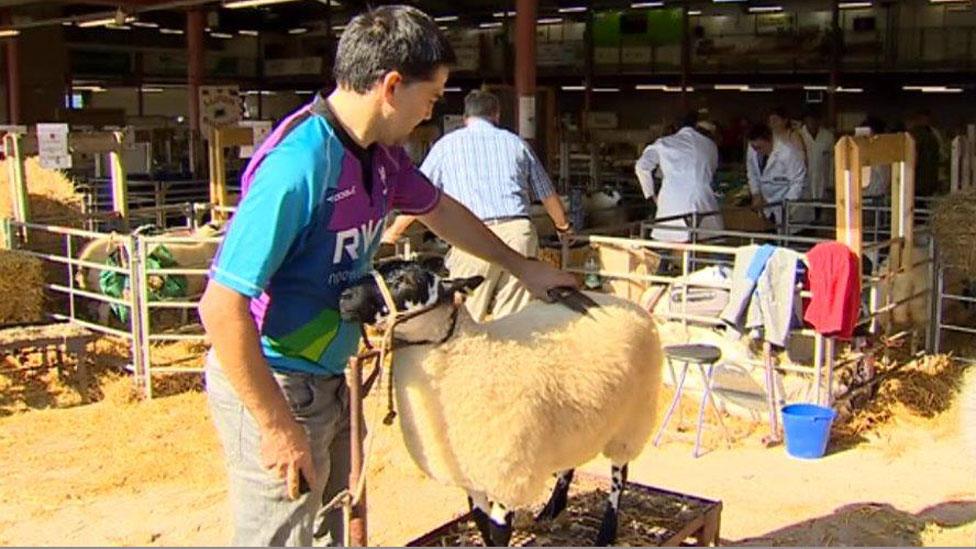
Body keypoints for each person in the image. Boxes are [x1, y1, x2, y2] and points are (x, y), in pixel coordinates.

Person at [197, 6, 577, 546]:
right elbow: (220, 306)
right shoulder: (299, 166)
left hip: (328, 374)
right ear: (392, 86)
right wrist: (277, 426)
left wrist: (521, 266)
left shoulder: (382, 158)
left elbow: (439, 209)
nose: (429, 112)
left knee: (332, 523)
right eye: (430, 97)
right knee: (278, 536)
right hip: (277, 381)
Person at [380, 89, 572, 322]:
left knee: (467, 316)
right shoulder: (516, 143)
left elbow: (419, 194)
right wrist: (563, 227)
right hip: (518, 234)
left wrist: (393, 233)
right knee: (514, 317)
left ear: (465, 118)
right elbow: (547, 194)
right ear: (496, 115)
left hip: (470, 236)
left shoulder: (445, 146)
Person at [635, 111, 723, 242]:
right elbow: (712, 170)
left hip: (672, 202)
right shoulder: (710, 145)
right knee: (710, 243)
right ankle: (719, 263)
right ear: (696, 125)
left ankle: (664, 262)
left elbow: (641, 166)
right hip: (704, 200)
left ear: (675, 127)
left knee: (667, 243)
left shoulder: (663, 144)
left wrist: (650, 195)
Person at [746, 122, 808, 231]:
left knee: (789, 241)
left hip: (787, 207)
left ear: (770, 140)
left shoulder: (788, 153)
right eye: (754, 147)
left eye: (760, 147)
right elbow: (752, 172)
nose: (757, 151)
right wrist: (755, 193)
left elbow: (798, 182)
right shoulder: (753, 149)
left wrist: (785, 205)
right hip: (767, 209)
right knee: (770, 240)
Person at [800, 109, 835, 201]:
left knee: (822, 210)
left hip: (823, 182)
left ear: (820, 120)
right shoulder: (798, 136)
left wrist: (831, 183)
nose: (812, 122)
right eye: (809, 119)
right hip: (804, 183)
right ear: (805, 120)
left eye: (815, 119)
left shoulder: (828, 137)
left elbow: (832, 161)